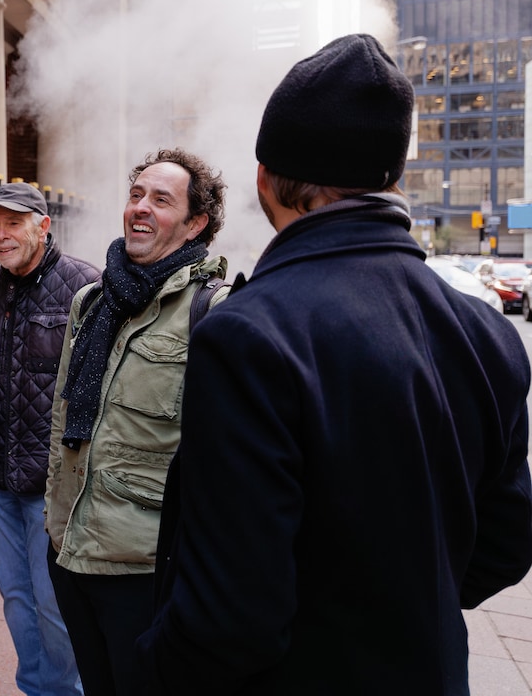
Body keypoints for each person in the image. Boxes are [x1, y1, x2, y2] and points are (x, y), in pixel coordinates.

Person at [132, 34, 532, 694]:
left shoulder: (249, 335)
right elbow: (507, 543)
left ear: (265, 177)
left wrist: (150, 665)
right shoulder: (487, 331)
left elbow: (230, 617)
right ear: (391, 178)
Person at [44, 148, 229, 695]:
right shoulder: (91, 301)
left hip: (145, 569)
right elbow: (61, 417)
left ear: (196, 223)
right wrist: (52, 527)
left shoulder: (213, 310)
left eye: (161, 200)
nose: (140, 208)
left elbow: (219, 460)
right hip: (70, 551)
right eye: (136, 195)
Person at [0, 181, 98, 696]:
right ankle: (36, 686)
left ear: (43, 224)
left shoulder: (86, 286)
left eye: (13, 223)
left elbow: (100, 390)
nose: (0, 235)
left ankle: (64, 689)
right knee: (16, 597)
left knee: (53, 600)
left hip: (54, 481)